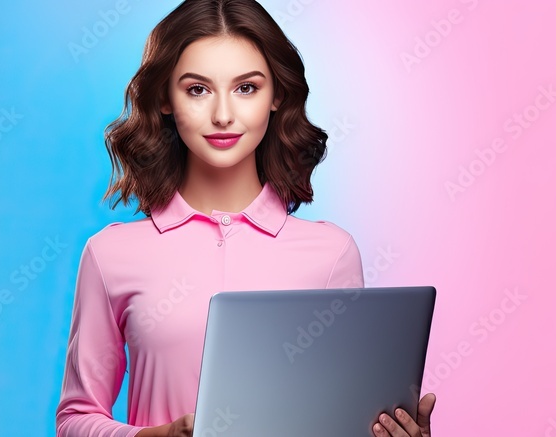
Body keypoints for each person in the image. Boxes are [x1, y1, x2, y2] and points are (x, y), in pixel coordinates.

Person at [54, 1, 436, 436]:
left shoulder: (331, 255)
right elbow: (75, 420)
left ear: (277, 97)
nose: (222, 114)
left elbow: (342, 418)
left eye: (246, 88)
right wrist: (153, 436)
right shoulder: (111, 255)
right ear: (164, 98)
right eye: (197, 89)